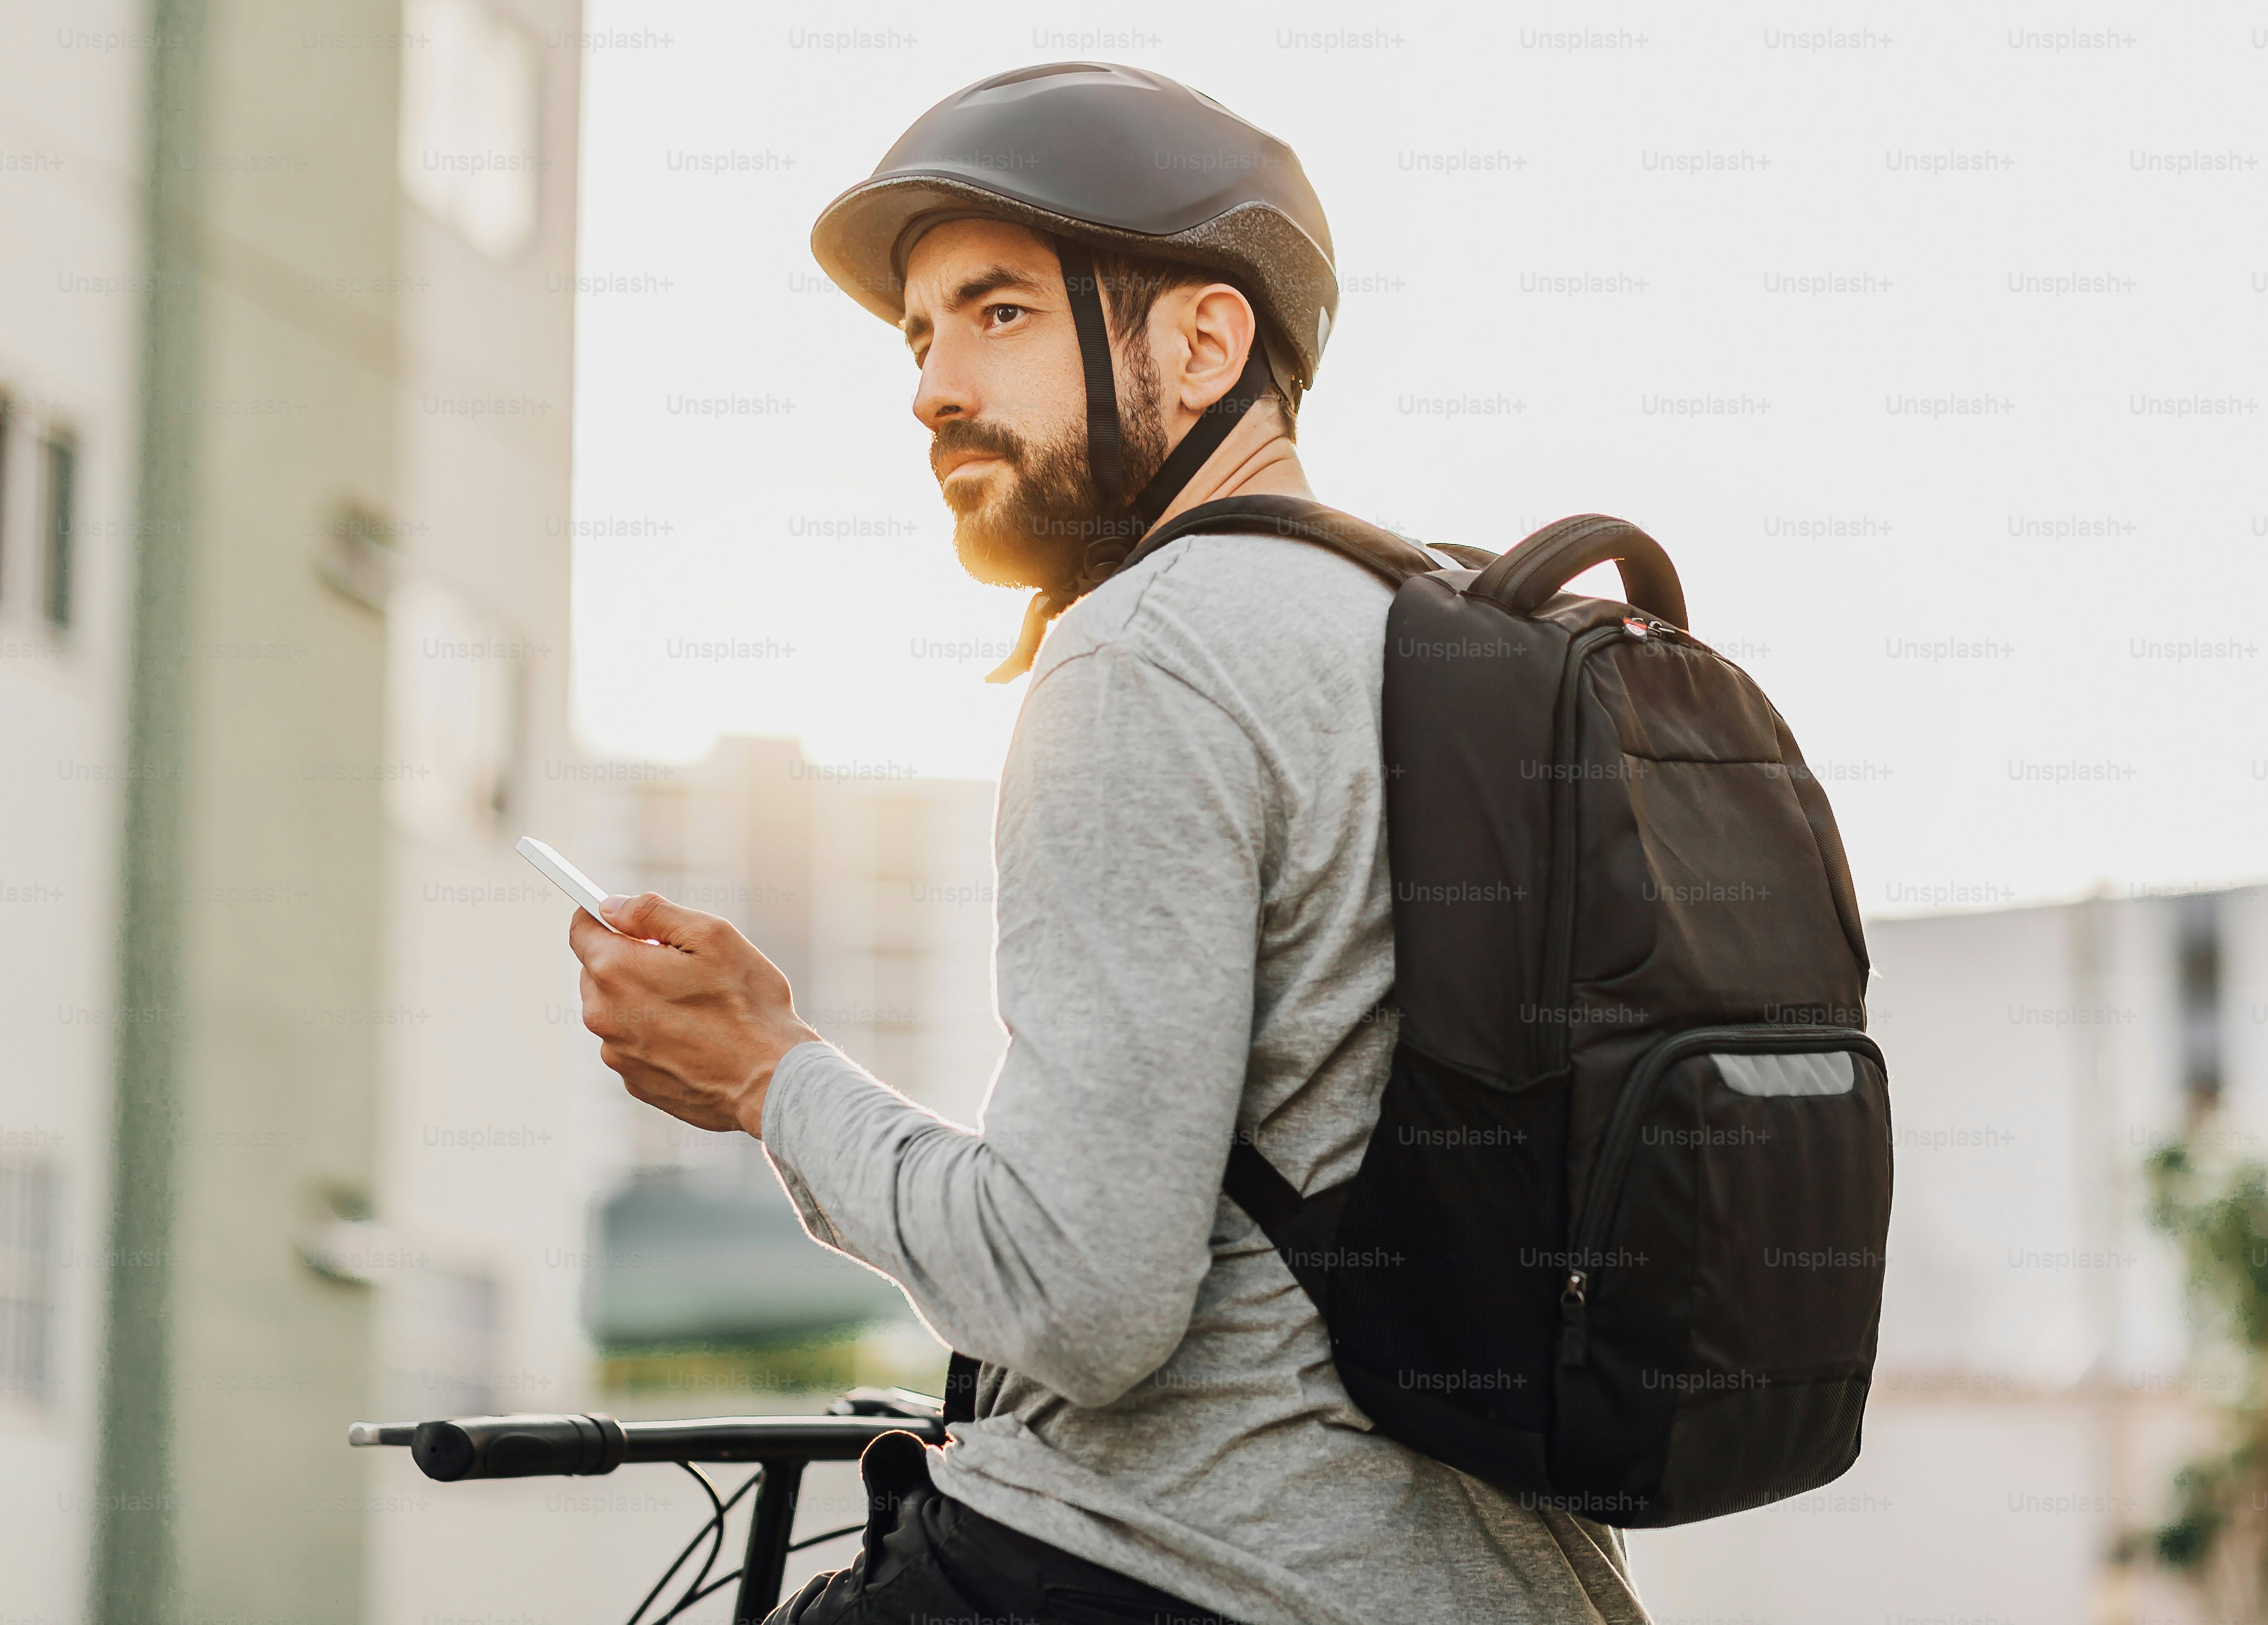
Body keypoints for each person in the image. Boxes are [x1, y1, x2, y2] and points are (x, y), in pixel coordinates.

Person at [570, 62, 1654, 1625]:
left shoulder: (1147, 649)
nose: (934, 385)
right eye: (920, 332)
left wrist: (764, 1074)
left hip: (1177, 1567)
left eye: (997, 312)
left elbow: (1078, 1298)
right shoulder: (1455, 633)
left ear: (1203, 339)